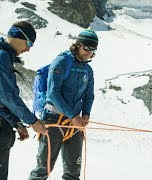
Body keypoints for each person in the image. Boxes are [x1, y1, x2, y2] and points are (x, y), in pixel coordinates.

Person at [0, 21, 48, 180]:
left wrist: (17, 123)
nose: (28, 49)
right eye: (28, 43)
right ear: (17, 37)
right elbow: (7, 96)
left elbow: (0, 96)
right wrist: (33, 121)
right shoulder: (0, 56)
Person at [28, 28, 98, 180]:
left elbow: (89, 95)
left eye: (93, 50)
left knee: (73, 172)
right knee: (43, 170)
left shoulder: (88, 70)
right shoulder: (61, 61)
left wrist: (86, 114)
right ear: (78, 45)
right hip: (53, 119)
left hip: (74, 124)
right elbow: (53, 93)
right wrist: (73, 116)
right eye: (87, 48)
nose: (89, 53)